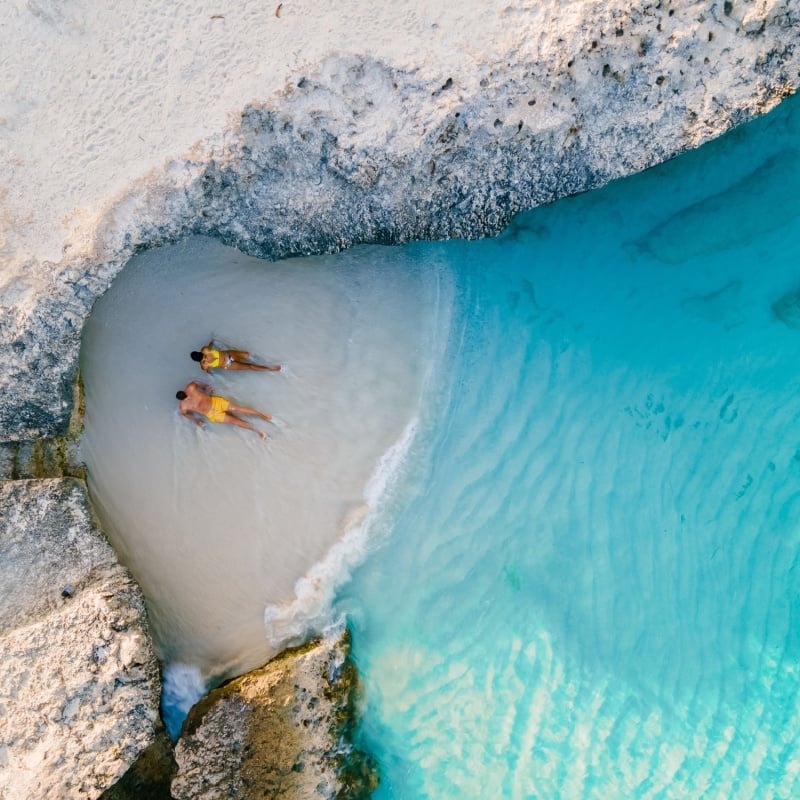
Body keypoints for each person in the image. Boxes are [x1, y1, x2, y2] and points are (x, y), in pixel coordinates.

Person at [176, 381, 272, 439]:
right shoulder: (183, 405)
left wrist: (207, 388)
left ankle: (262, 415)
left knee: (238, 409)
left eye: (188, 396)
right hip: (212, 414)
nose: (188, 398)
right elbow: (184, 414)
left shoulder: (190, 387)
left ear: (185, 392)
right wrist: (197, 420)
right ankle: (258, 431)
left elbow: (196, 382)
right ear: (182, 400)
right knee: (235, 421)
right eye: (186, 399)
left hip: (216, 402)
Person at [190, 340, 281, 373]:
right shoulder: (205, 349)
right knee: (248, 355)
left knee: (250, 366)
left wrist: (209, 370)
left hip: (227, 364)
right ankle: (269, 360)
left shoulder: (204, 365)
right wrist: (213, 340)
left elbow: (208, 371)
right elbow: (211, 344)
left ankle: (272, 369)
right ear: (199, 352)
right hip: (228, 355)